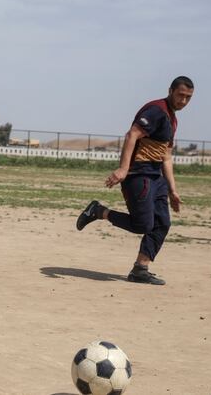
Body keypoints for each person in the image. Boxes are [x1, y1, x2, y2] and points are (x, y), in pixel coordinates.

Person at [75, 76, 194, 285]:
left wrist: (172, 190)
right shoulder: (156, 110)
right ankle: (98, 211)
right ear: (171, 91)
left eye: (188, 98)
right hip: (139, 175)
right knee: (142, 224)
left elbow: (166, 155)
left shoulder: (172, 118)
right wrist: (123, 169)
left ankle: (141, 268)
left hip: (156, 177)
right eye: (180, 95)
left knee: (162, 223)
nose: (183, 101)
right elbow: (132, 135)